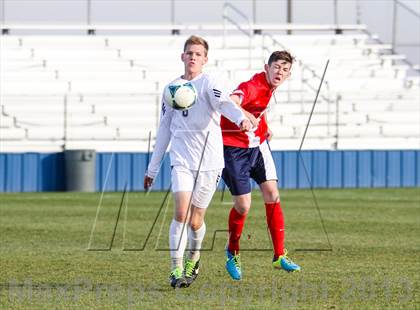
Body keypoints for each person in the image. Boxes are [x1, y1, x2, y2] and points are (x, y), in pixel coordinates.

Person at [143, 35, 251, 288]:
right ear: (182, 56)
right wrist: (153, 167)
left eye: (198, 54)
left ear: (205, 60)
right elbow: (165, 128)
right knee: (181, 212)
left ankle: (194, 257)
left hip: (210, 161)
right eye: (189, 53)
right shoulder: (171, 89)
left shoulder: (209, 83)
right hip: (181, 159)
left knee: (195, 221)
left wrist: (240, 119)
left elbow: (224, 104)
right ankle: (175, 268)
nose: (193, 57)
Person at [220, 50, 301, 281]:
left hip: (258, 145)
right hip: (234, 148)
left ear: (288, 74)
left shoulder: (270, 88)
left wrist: (264, 125)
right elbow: (231, 101)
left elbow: (259, 109)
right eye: (276, 67)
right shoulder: (253, 85)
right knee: (243, 206)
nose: (280, 72)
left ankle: (279, 255)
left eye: (285, 70)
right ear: (267, 67)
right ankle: (232, 252)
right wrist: (246, 115)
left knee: (272, 194)